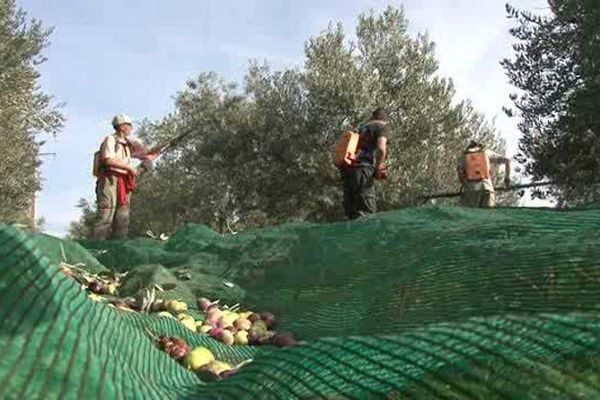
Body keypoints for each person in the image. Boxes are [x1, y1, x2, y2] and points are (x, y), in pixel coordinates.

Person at [92, 114, 158, 240]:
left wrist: (154, 152)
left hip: (124, 181)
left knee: (122, 218)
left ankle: (118, 245)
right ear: (121, 127)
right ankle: (97, 246)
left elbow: (145, 153)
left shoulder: (128, 144)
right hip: (110, 179)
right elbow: (108, 159)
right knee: (106, 213)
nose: (131, 128)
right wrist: (129, 168)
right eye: (129, 125)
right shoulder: (110, 140)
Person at [340, 108, 389, 219]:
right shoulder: (382, 127)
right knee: (367, 213)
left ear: (372, 117)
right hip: (362, 171)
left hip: (347, 171)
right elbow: (381, 149)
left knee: (351, 214)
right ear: (386, 120)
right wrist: (377, 168)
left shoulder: (361, 128)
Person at [457, 141, 511, 208]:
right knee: (488, 215)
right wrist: (507, 179)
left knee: (469, 215)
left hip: (471, 188)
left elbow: (460, 174)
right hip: (487, 188)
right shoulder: (486, 152)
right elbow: (507, 161)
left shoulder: (464, 156)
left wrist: (465, 183)